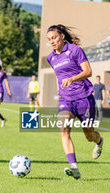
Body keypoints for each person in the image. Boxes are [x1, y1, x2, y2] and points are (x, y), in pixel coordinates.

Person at [46, 24, 103, 180]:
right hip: (65, 99)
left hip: (84, 97)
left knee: (89, 135)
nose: (52, 41)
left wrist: (72, 78)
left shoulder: (75, 50)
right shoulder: (51, 58)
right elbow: (60, 77)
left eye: (54, 38)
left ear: (62, 36)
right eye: (49, 39)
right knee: (63, 130)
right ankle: (74, 167)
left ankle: (99, 141)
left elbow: (88, 71)